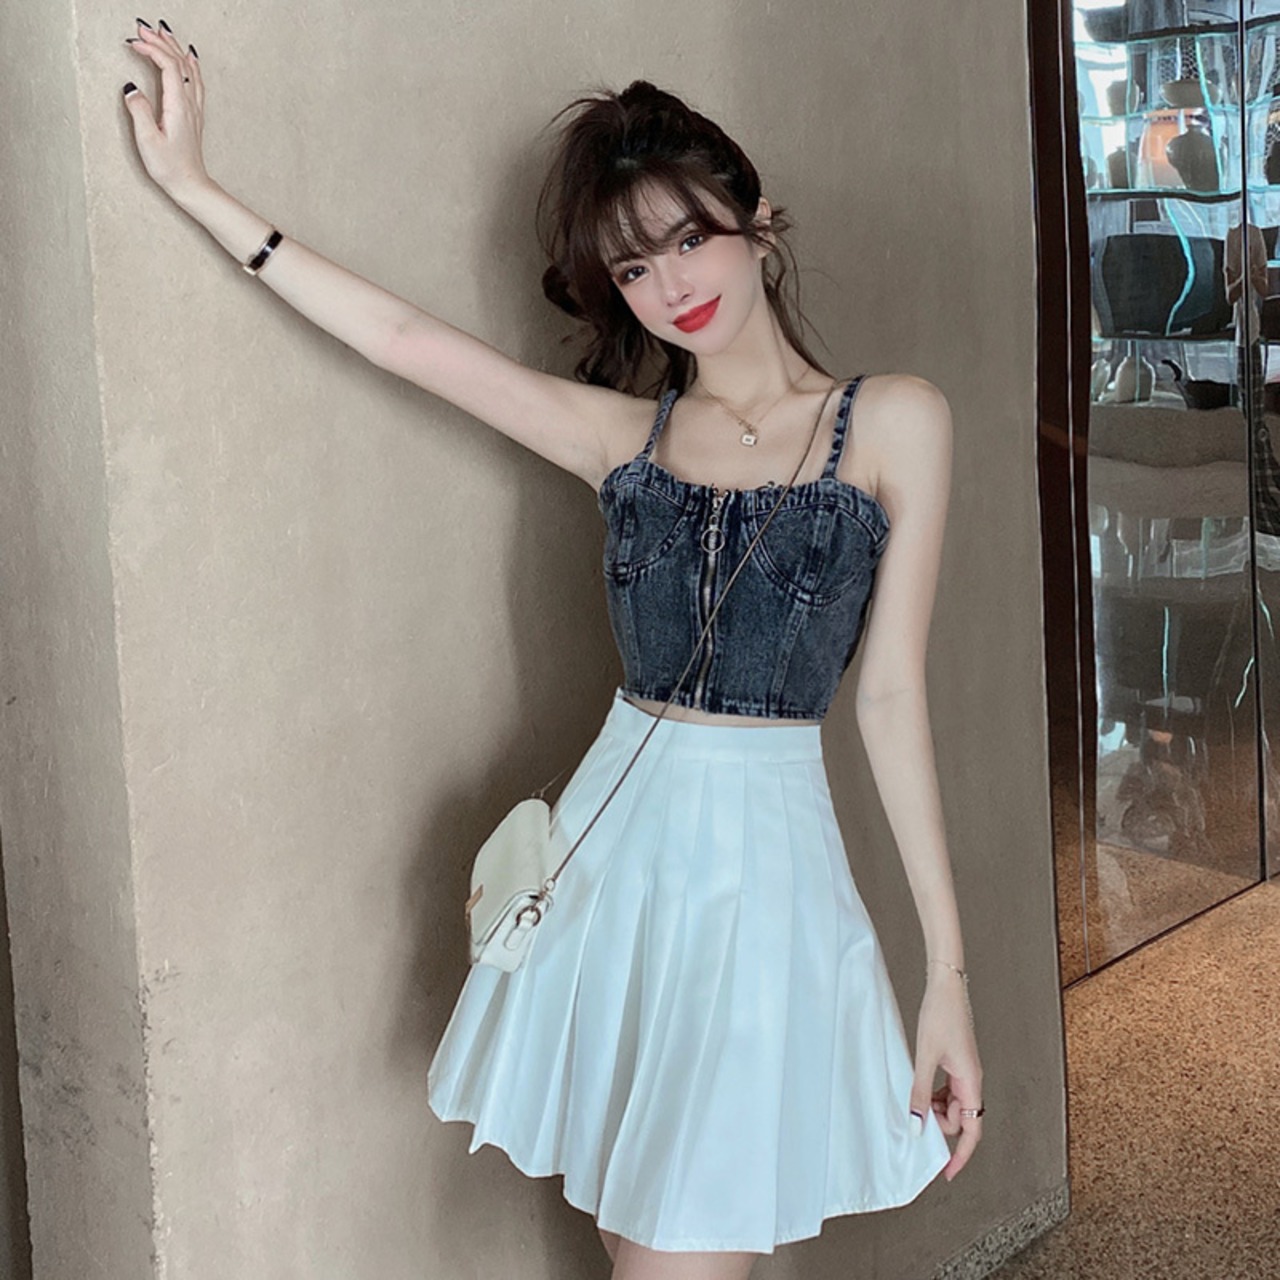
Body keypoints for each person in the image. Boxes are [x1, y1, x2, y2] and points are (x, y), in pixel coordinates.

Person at [122, 17, 983, 1280]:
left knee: (679, 1247)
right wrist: (197, 187)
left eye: (688, 237)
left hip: (764, 882)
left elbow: (891, 697)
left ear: (757, 222)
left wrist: (945, 974)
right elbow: (406, 342)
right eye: (633, 266)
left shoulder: (894, 420)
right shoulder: (624, 436)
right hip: (610, 863)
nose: (671, 283)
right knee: (649, 1237)